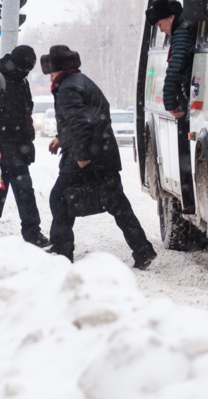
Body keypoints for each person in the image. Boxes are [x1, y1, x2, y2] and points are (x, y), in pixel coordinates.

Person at [40, 45, 156, 268]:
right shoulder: (82, 81)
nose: (50, 79)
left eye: (51, 74)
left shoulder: (67, 89)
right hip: (104, 154)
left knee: (59, 197)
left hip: (84, 157)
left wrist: (82, 155)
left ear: (59, 71)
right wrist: (61, 139)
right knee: (118, 204)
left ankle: (62, 253)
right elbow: (89, 118)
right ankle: (142, 250)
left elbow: (81, 123)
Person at [0, 45, 50, 248]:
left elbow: (25, 114)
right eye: (24, 68)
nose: (26, 72)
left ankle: (32, 233)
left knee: (25, 191)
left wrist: (28, 142)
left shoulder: (22, 81)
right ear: (16, 64)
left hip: (18, 149)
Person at [145, 0, 197, 212]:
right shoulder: (183, 26)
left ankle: (189, 199)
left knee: (185, 146)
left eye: (161, 25)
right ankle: (189, 199)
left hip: (188, 99)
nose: (162, 30)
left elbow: (175, 67)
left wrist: (169, 101)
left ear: (171, 17)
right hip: (188, 94)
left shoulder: (182, 31)